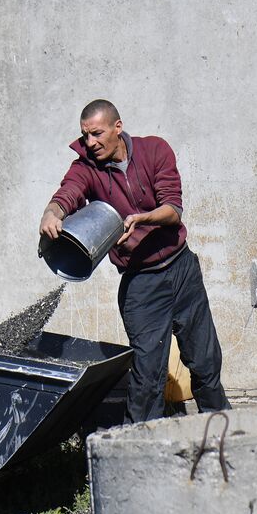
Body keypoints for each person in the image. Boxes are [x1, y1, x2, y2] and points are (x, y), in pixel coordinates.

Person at [39, 99, 230, 423]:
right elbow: (67, 193)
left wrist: (142, 219)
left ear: (117, 127)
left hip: (182, 269)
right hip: (141, 283)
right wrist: (51, 213)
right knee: (147, 378)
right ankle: (138, 450)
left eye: (97, 134)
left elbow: (173, 209)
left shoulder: (155, 151)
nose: (90, 143)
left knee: (205, 364)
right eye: (85, 136)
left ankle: (225, 437)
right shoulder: (85, 168)